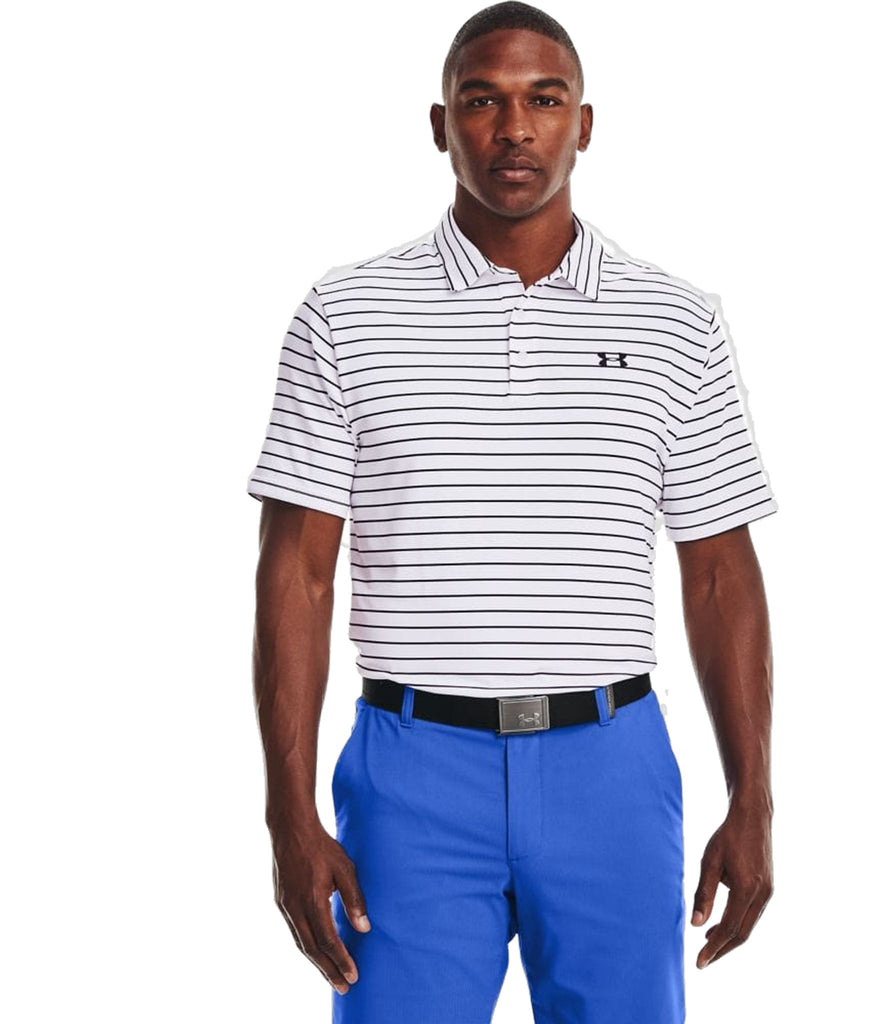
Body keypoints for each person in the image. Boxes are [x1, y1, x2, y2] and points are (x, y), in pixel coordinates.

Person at [247, 3, 778, 1021]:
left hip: (611, 766)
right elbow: (297, 574)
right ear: (440, 124)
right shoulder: (345, 315)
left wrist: (753, 796)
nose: (515, 128)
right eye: (482, 101)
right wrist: (287, 812)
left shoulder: (678, 320)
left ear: (586, 124)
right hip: (410, 772)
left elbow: (718, 572)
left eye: (545, 99)